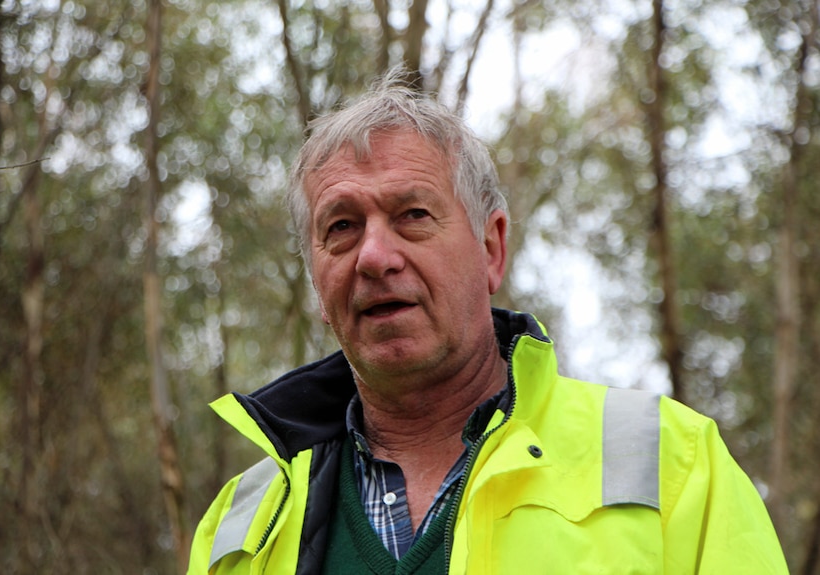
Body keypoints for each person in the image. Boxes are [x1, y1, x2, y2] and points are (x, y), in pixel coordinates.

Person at [188, 72, 788, 574]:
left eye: (413, 215)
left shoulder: (674, 465)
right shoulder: (238, 529)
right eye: (341, 227)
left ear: (491, 248)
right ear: (318, 281)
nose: (374, 256)